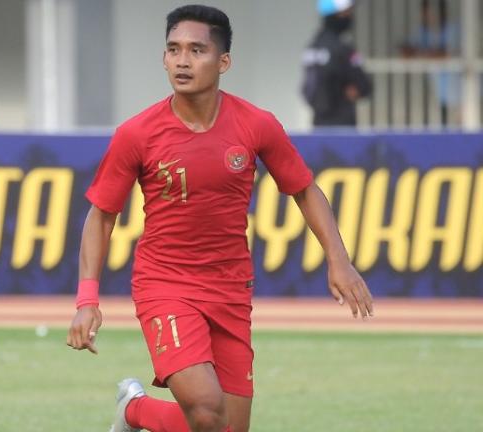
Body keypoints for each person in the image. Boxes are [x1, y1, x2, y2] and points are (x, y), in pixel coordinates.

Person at [67, 5, 374, 432]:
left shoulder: (256, 124)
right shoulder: (137, 133)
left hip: (231, 288)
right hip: (166, 284)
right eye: (173, 49)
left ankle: (134, 410)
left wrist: (339, 261)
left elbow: (305, 190)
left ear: (223, 61)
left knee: (225, 427)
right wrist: (87, 300)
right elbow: (101, 217)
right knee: (208, 409)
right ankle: (136, 409)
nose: (182, 60)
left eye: (196, 50)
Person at [301, 0, 372, 127]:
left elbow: (307, 89)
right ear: (335, 15)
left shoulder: (313, 46)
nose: (350, 16)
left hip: (318, 124)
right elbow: (364, 85)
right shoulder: (342, 49)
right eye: (346, 12)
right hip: (342, 126)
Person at [401, 0, 460, 126]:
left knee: (468, 128)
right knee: (448, 130)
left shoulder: (454, 29)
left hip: (466, 92)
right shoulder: (423, 32)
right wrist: (425, 53)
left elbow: (449, 54)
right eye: (424, 13)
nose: (425, 17)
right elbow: (406, 53)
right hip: (441, 94)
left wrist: (421, 53)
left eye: (428, 13)